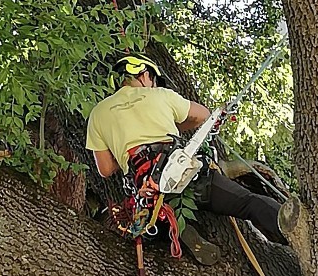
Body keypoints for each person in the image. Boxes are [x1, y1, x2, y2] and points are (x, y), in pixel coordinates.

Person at [84, 54, 289, 264]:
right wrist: (170, 127)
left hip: (148, 191)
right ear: (145, 75)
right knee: (248, 202)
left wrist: (124, 147)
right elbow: (203, 115)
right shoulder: (161, 95)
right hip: (185, 172)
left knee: (150, 223)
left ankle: (178, 229)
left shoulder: (98, 114)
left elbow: (106, 169)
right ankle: (291, 231)